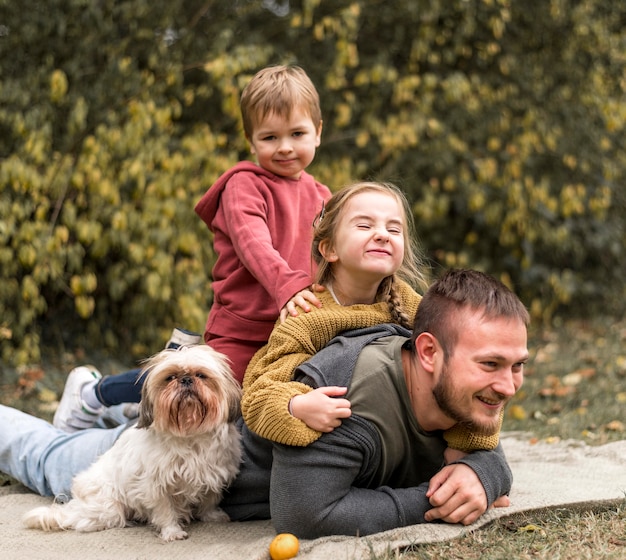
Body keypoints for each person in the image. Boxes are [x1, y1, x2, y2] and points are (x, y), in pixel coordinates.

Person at [0, 269, 529, 539]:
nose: (507, 387)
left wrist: (484, 477)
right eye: (491, 366)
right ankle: (80, 405)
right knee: (39, 452)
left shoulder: (464, 392)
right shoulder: (344, 397)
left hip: (207, 432)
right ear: (429, 352)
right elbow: (307, 514)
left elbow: (486, 446)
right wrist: (430, 501)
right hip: (152, 456)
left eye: (517, 365)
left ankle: (100, 397)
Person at [53, 64, 332, 432]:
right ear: (251, 141)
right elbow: (253, 244)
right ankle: (94, 393)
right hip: (243, 327)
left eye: (297, 133)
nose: (284, 147)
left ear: (318, 133)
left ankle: (131, 412)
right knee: (197, 382)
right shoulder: (244, 185)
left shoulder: (324, 196)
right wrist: (289, 285)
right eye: (269, 138)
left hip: (294, 327)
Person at [242, 181, 504, 456]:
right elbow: (258, 395)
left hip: (401, 443)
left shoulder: (412, 304)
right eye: (365, 226)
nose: (382, 235)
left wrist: (466, 450)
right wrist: (296, 406)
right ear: (329, 249)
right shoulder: (307, 314)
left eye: (394, 229)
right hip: (337, 451)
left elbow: (471, 363)